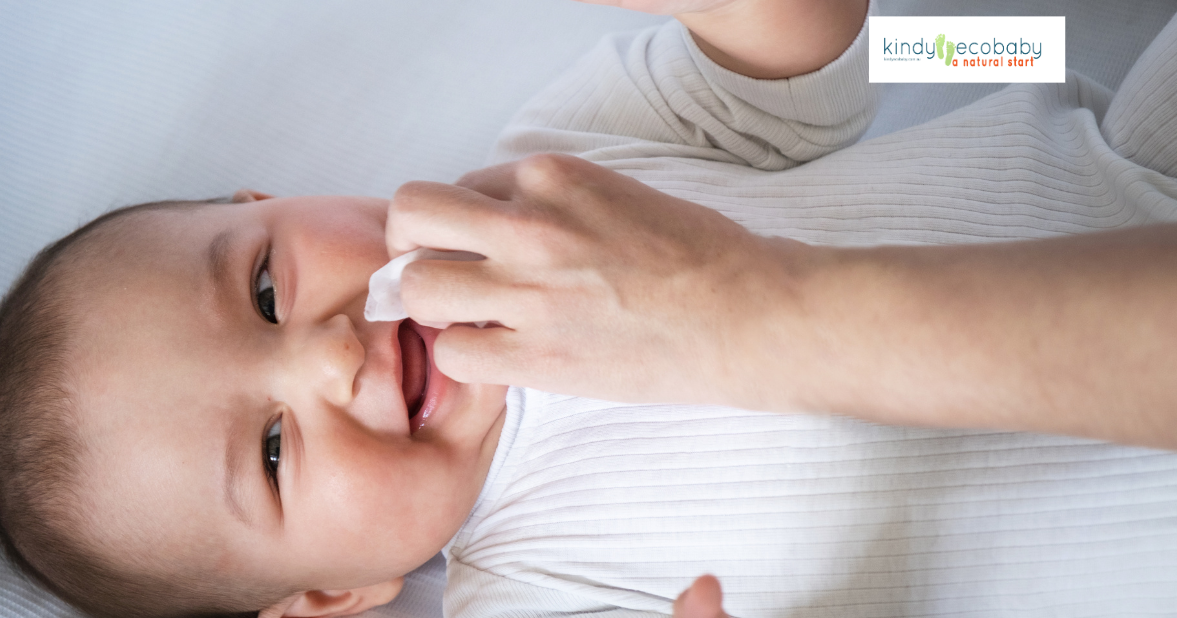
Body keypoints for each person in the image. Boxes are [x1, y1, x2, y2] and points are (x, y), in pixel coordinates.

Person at [1, 3, 1175, 618]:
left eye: (264, 288)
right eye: (267, 454)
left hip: (1140, 167)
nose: (322, 359)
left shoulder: (551, 166)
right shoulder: (533, 592)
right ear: (328, 596)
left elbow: (811, 68)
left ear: (276, 200)